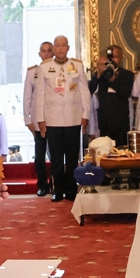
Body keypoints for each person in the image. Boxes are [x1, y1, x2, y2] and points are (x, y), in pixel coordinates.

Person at [34, 35, 91, 202]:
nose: (60, 48)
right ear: (53, 48)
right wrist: (40, 119)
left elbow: (85, 92)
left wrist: (85, 115)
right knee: (57, 158)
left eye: (63, 45)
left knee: (72, 157)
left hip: (73, 118)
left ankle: (71, 190)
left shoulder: (77, 66)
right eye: (57, 46)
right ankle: (57, 190)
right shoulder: (45, 67)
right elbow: (40, 95)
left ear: (68, 48)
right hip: (53, 119)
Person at [22, 40, 54, 195]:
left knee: (56, 153)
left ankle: (56, 183)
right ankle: (42, 185)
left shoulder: (59, 70)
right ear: (39, 54)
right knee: (40, 153)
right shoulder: (32, 72)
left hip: (55, 118)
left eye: (49, 50)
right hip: (37, 118)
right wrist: (27, 120)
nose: (46, 53)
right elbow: (27, 97)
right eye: (43, 51)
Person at [88, 44, 134, 148]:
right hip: (104, 123)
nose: (113, 59)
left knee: (121, 153)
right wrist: (99, 75)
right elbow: (90, 90)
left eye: (116, 57)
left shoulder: (127, 75)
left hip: (121, 123)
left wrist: (113, 80)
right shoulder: (102, 74)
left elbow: (125, 93)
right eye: (111, 57)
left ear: (121, 58)